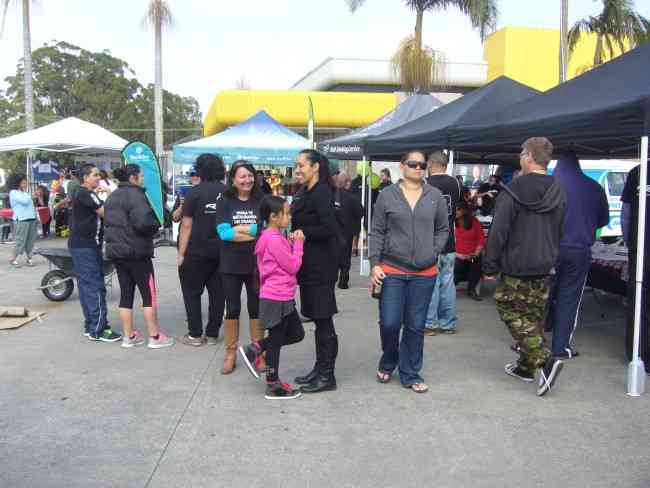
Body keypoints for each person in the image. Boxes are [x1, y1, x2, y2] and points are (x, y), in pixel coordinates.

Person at [483, 137, 566, 397]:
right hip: (545, 263)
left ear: (529, 156)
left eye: (521, 152)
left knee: (509, 309)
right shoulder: (559, 190)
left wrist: (489, 265)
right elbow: (560, 229)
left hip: (516, 265)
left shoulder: (513, 190)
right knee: (533, 317)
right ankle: (525, 368)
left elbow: (498, 232)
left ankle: (544, 358)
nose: (520, 156)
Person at [369, 150, 449, 393]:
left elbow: (443, 229)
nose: (418, 168)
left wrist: (433, 251)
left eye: (422, 164)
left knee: (415, 325)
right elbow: (378, 231)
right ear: (402, 166)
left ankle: (410, 372)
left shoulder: (435, 196)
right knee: (391, 322)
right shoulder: (386, 195)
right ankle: (389, 359)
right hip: (392, 269)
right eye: (413, 164)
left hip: (424, 272)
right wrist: (375, 263)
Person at [239, 196, 305, 399]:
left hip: (279, 295)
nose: (289, 216)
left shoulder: (273, 236)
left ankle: (255, 349)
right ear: (273, 217)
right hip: (276, 297)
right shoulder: (274, 239)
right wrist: (299, 245)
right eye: (285, 213)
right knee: (276, 341)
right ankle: (273, 384)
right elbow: (293, 266)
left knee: (296, 333)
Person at [104, 164, 174, 349]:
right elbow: (144, 222)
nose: (143, 179)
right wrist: (155, 225)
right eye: (141, 176)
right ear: (133, 177)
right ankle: (155, 336)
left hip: (118, 253)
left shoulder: (112, 197)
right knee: (148, 294)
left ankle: (129, 337)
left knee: (126, 295)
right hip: (137, 252)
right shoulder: (137, 196)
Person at [547, 153, 609, 359]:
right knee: (569, 299)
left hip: (548, 249)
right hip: (579, 250)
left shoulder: (548, 185)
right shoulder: (594, 187)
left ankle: (530, 344)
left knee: (540, 295)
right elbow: (602, 220)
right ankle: (560, 348)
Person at [291, 149, 341, 393]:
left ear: (315, 167)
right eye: (296, 165)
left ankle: (327, 376)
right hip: (308, 266)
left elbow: (329, 228)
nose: (297, 169)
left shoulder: (321, 192)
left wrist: (305, 233)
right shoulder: (304, 191)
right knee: (317, 320)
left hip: (321, 266)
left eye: (302, 165)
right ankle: (318, 369)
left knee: (324, 321)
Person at [215, 160, 263, 374]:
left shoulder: (261, 200)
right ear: (233, 179)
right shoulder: (225, 201)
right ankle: (231, 352)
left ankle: (257, 352)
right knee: (232, 308)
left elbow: (263, 231)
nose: (247, 180)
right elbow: (224, 234)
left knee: (256, 309)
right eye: (242, 176)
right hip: (230, 264)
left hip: (256, 264)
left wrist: (239, 229)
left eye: (250, 175)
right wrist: (252, 231)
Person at [177, 155, 227, 347]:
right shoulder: (228, 192)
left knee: (191, 293)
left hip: (196, 251)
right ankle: (213, 334)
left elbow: (186, 225)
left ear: (200, 170)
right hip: (223, 251)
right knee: (218, 294)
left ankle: (195, 335)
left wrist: (181, 254)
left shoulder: (194, 193)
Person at [69, 164, 121, 342]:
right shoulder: (86, 193)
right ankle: (99, 329)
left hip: (81, 245)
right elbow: (107, 213)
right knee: (96, 287)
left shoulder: (83, 193)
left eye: (98, 175)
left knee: (86, 287)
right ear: (85, 178)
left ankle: (91, 325)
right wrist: (110, 192)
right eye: (95, 175)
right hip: (87, 246)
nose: (98, 178)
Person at [424, 151, 462, 335]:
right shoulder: (455, 183)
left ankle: (430, 324)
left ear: (431, 164)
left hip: (430, 242)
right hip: (450, 241)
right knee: (448, 283)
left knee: (431, 283)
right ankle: (448, 324)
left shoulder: (425, 184)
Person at [621, 163, 650, 372]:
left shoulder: (638, 171)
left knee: (638, 301)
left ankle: (636, 351)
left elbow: (626, 215)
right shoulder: (637, 172)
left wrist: (629, 242)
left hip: (639, 249)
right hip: (638, 250)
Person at [334, 171, 364, 289]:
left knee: (333, 255)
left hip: (332, 232)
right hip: (347, 231)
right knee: (345, 257)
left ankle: (333, 278)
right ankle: (343, 281)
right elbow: (361, 212)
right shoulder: (352, 198)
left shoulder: (330, 195)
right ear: (347, 183)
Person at [454, 202, 485, 301]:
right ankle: (449, 289)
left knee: (477, 263)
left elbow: (481, 240)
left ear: (464, 210)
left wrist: (476, 253)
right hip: (457, 256)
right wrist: (459, 255)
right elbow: (446, 245)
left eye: (458, 209)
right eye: (455, 209)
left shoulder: (474, 222)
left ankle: (472, 289)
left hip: (472, 255)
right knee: (456, 265)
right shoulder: (451, 224)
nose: (456, 212)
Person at [9, 174, 37, 267]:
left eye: (26, 182)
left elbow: (30, 205)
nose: (26, 184)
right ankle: (14, 259)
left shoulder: (25, 193)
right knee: (21, 240)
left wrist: (35, 217)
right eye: (23, 183)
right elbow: (24, 202)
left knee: (30, 240)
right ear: (18, 183)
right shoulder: (13, 192)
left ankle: (29, 258)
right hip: (21, 219)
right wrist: (32, 196)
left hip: (31, 218)